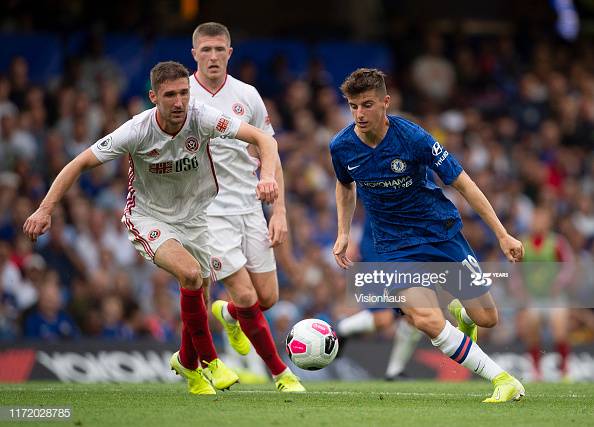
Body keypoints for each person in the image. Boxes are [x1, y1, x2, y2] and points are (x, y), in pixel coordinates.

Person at [23, 61, 280, 395]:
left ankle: (187, 365)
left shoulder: (201, 117)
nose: (178, 102)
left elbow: (263, 139)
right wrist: (45, 209)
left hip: (197, 218)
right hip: (149, 218)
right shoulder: (137, 130)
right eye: (170, 95)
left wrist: (269, 176)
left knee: (201, 293)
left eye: (184, 93)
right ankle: (211, 363)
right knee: (190, 274)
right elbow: (80, 162)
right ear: (153, 96)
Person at [330, 68, 525, 403]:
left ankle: (463, 314)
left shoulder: (414, 138)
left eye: (367, 105)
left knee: (487, 318)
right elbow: (345, 186)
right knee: (425, 318)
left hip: (440, 232)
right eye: (353, 106)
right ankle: (503, 380)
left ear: (385, 103)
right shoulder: (342, 147)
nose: (359, 114)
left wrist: (502, 234)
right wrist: (343, 231)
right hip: (393, 246)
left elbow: (463, 183)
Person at [189, 22, 305, 392]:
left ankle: (228, 315)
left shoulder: (248, 95)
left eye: (219, 49)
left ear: (229, 53)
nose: (212, 56)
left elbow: (270, 149)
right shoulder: (182, 95)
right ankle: (281, 374)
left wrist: (280, 211)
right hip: (209, 213)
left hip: (250, 208)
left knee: (267, 297)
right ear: (194, 54)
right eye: (205, 50)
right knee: (246, 294)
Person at [336, 215, 423, 380]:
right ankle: (342, 329)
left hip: (405, 251)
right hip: (378, 251)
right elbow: (349, 194)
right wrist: (347, 234)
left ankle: (395, 372)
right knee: (383, 319)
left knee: (416, 313)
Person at [516, 206, 574, 381]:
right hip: (534, 297)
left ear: (548, 222)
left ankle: (564, 370)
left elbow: (569, 266)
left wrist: (559, 283)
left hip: (555, 297)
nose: (537, 222)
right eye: (535, 219)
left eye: (541, 219)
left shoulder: (557, 242)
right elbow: (515, 270)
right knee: (531, 332)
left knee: (560, 333)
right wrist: (520, 289)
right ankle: (536, 371)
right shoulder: (522, 243)